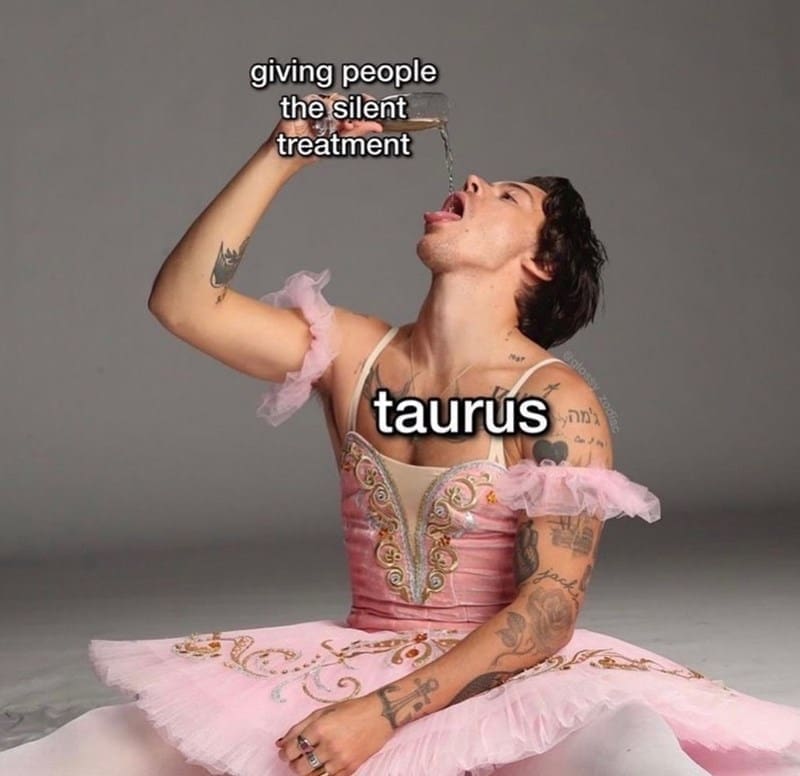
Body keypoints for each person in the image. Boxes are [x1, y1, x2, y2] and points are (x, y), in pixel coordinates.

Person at [2, 95, 799, 776]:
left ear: (541, 265)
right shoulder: (353, 353)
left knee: (628, 746)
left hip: (503, 677)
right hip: (355, 657)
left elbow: (549, 608)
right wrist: (284, 154)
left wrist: (381, 715)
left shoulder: (555, 399)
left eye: (508, 196)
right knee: (98, 745)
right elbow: (184, 304)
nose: (474, 182)